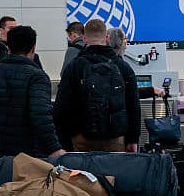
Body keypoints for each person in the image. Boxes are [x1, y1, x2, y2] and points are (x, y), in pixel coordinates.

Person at [0, 25, 65, 171]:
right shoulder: (37, 77)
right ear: (33, 48)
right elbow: (41, 116)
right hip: (25, 160)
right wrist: (54, 148)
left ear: (8, 47)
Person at [54, 19, 141, 153]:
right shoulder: (123, 67)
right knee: (115, 173)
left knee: (83, 174)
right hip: (115, 137)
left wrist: (64, 141)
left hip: (81, 137)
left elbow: (62, 106)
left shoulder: (74, 67)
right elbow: (133, 105)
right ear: (106, 38)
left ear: (84, 39)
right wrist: (133, 139)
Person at [107, 27, 167, 99]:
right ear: (118, 42)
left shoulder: (105, 62)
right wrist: (152, 90)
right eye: (125, 38)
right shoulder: (121, 66)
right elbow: (130, 93)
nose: (127, 41)